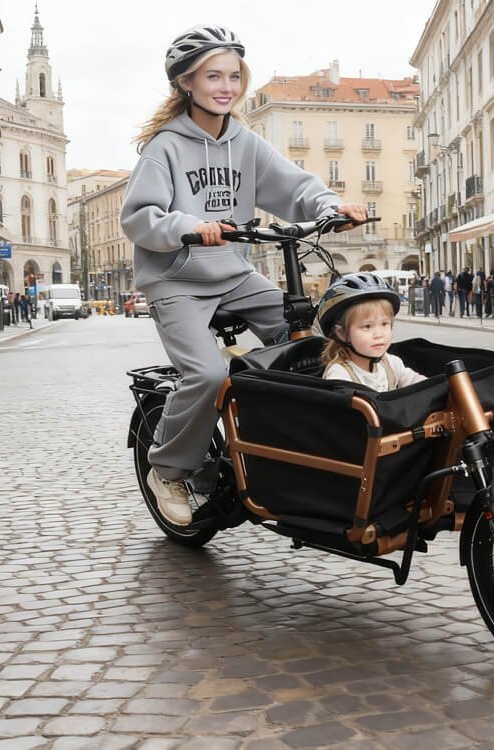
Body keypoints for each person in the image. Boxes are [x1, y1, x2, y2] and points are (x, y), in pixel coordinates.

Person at [120, 24, 366, 526]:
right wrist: (191, 226)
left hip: (233, 273)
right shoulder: (164, 148)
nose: (226, 86)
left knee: (311, 341)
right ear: (187, 83)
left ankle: (281, 445)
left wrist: (332, 206)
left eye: (234, 75)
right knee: (208, 374)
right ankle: (167, 470)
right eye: (213, 76)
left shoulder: (245, 143)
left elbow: (294, 186)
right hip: (177, 280)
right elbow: (138, 217)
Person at [318, 273, 425, 391]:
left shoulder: (390, 363)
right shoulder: (339, 375)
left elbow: (417, 382)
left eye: (384, 324)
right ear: (342, 334)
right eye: (367, 326)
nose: (379, 334)